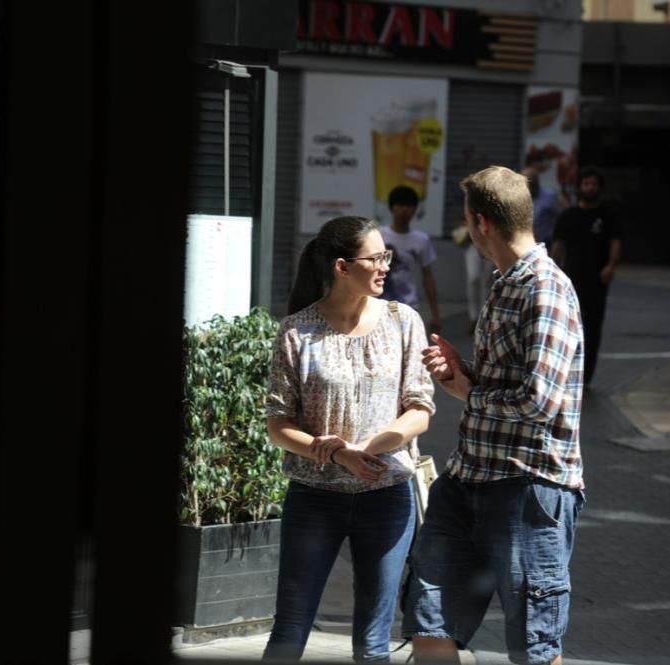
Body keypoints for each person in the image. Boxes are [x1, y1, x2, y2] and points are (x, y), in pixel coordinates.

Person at [402, 166, 585, 665]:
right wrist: (463, 370)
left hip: (529, 492)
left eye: (465, 220)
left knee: (533, 647)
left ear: (481, 223)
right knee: (429, 625)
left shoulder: (545, 289)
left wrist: (468, 390)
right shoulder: (506, 283)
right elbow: (503, 383)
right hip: (467, 482)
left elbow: (538, 402)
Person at [263, 215, 436, 663]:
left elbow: (420, 409)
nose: (386, 266)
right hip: (314, 496)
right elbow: (277, 425)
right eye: (376, 258)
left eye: (387, 256)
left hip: (388, 494)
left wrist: (369, 450)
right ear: (342, 266)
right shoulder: (297, 331)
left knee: (375, 643)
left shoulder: (403, 321)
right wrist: (336, 454)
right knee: (290, 628)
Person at [550, 166, 623, 386]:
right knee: (565, 327)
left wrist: (610, 266)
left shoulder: (608, 216)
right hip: (570, 281)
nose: (590, 188)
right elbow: (558, 246)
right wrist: (553, 271)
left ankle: (585, 376)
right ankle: (563, 371)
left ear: (599, 188)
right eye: (586, 184)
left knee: (591, 329)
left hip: (596, 283)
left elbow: (616, 242)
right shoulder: (568, 216)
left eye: (594, 184)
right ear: (579, 188)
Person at [379, 185, 441, 334]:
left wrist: (435, 314)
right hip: (379, 303)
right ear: (391, 208)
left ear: (415, 209)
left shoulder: (421, 240)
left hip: (408, 305)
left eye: (409, 206)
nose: (405, 210)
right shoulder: (378, 235)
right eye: (400, 205)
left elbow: (428, 276)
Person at [521, 165, 562, 246]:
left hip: (545, 243)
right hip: (524, 244)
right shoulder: (518, 196)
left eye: (531, 182)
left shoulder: (549, 196)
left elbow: (558, 219)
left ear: (537, 183)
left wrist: (551, 235)